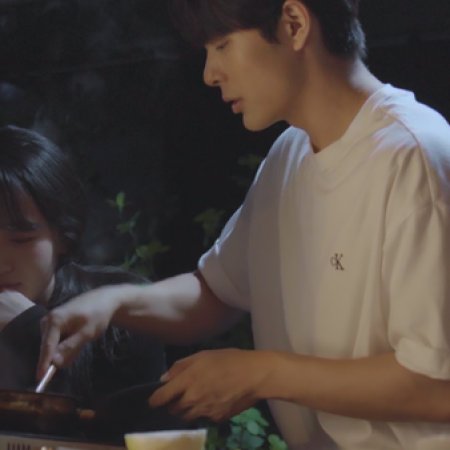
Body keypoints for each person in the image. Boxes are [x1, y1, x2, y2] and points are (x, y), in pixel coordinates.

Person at [37, 1, 450, 449]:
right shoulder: (289, 156)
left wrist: (260, 374)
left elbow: (438, 386)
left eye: (222, 45)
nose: (209, 74)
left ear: (294, 24)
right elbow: (216, 292)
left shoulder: (413, 157)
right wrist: (114, 303)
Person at [0, 125, 166, 410]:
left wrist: (30, 331)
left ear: (63, 236)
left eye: (21, 240)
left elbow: (139, 427)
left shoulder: (118, 318)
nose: (2, 265)